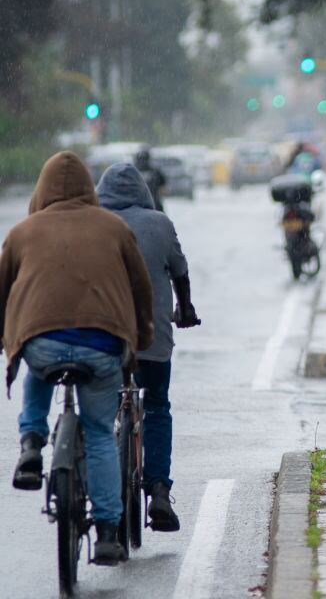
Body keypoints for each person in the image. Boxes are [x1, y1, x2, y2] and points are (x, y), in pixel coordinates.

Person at [3, 152, 154, 566]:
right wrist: (141, 338)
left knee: (37, 366)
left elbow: (2, 291)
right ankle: (107, 531)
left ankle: (32, 443)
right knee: (101, 433)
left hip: (42, 341)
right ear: (90, 189)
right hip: (102, 345)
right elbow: (141, 290)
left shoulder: (21, 232)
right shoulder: (115, 228)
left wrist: (9, 340)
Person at [97, 163, 201, 533]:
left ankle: (101, 496)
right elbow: (180, 274)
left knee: (99, 418)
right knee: (156, 405)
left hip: (104, 343)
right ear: (143, 192)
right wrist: (184, 310)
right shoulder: (160, 223)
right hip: (152, 341)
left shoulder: (93, 223)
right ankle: (157, 489)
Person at [135, 146, 167, 212]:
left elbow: (164, 190)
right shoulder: (156, 172)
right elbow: (164, 190)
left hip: (136, 206)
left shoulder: (132, 172)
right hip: (153, 206)